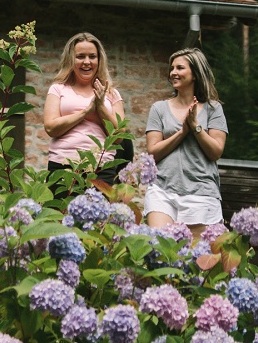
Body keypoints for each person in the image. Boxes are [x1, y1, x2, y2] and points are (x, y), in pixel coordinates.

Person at [142, 47, 228, 241]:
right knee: (160, 250)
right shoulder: (159, 109)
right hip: (162, 189)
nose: (173, 72)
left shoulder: (214, 109)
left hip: (201, 192)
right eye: (172, 68)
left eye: (180, 68)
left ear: (195, 74)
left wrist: (195, 126)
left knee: (196, 259)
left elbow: (216, 152)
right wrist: (182, 132)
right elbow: (153, 153)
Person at [43, 31, 125, 191]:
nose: (87, 62)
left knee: (98, 216)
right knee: (59, 215)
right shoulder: (58, 89)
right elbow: (50, 128)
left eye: (92, 56)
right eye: (80, 56)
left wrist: (100, 107)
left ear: (99, 60)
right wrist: (86, 112)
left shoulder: (111, 93)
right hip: (63, 165)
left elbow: (119, 137)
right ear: (70, 59)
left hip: (101, 168)